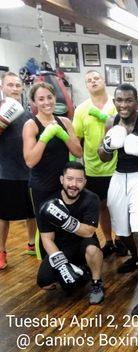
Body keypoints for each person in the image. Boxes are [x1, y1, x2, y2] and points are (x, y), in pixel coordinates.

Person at [98, 83, 138, 315]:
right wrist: (107, 144)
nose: (123, 105)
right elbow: (102, 156)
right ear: (114, 101)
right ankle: (136, 258)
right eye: (119, 100)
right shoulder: (110, 122)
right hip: (118, 177)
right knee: (122, 235)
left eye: (128, 100)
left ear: (137, 101)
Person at [22, 82, 82, 255]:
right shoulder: (31, 125)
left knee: (65, 224)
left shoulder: (65, 122)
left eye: (49, 97)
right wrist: (45, 136)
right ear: (34, 102)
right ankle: (48, 269)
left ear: (55, 98)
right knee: (46, 229)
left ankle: (68, 263)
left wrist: (63, 135)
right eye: (41, 99)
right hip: (41, 186)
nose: (47, 102)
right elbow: (30, 161)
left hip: (63, 185)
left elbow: (78, 152)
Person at [73, 70, 125, 258]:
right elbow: (77, 139)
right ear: (86, 86)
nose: (93, 82)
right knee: (101, 207)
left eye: (96, 78)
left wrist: (106, 119)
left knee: (119, 207)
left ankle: (121, 240)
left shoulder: (117, 103)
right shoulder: (81, 109)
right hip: (93, 168)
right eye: (89, 80)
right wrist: (74, 167)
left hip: (117, 166)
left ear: (104, 81)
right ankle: (109, 241)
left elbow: (126, 129)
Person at [37, 161, 104, 304]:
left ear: (85, 182)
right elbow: (47, 239)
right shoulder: (49, 203)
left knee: (93, 250)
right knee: (45, 282)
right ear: (62, 180)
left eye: (79, 180)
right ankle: (80, 270)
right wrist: (62, 265)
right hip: (61, 246)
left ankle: (96, 283)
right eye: (69, 179)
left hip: (83, 243)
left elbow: (88, 232)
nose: (74, 184)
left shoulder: (91, 199)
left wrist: (66, 221)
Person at [0, 72, 36, 269]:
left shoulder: (28, 114)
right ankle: (1, 251)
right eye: (10, 85)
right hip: (5, 172)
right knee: (3, 215)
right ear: (2, 88)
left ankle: (32, 243)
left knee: (32, 213)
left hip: (28, 172)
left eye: (17, 85)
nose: (14, 88)